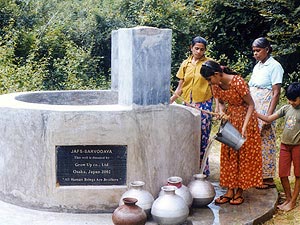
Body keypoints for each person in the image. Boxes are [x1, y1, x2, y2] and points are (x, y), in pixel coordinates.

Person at [200, 60, 263, 205]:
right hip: (231, 120)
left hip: (246, 120)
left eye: (210, 80)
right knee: (229, 155)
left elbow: (251, 105)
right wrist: (221, 112)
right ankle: (230, 190)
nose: (210, 83)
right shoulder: (216, 85)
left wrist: (245, 126)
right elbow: (221, 103)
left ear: (217, 74)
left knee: (243, 156)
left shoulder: (238, 82)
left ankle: (239, 191)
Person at [170, 36, 214, 176]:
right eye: (196, 48)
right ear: (191, 48)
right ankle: (188, 169)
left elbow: (215, 87)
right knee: (187, 137)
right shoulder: (185, 64)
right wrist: (170, 101)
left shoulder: (209, 64)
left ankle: (202, 171)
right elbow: (180, 88)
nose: (199, 51)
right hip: (187, 104)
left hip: (203, 105)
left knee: (202, 138)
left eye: (202, 49)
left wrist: (219, 107)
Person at [257, 82, 300, 212]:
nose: (291, 102)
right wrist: (255, 113)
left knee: (298, 175)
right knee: (282, 173)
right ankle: (287, 198)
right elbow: (269, 118)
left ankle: (292, 202)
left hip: (298, 147)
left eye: (294, 100)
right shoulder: (286, 108)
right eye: (289, 99)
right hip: (284, 146)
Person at [249, 37, 284, 189]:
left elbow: (276, 93)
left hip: (265, 106)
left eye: (258, 51)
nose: (255, 54)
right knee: (254, 139)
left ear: (267, 49)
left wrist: (269, 117)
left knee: (265, 140)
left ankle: (267, 177)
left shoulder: (275, 66)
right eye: (254, 51)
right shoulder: (258, 65)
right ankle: (256, 174)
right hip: (255, 106)